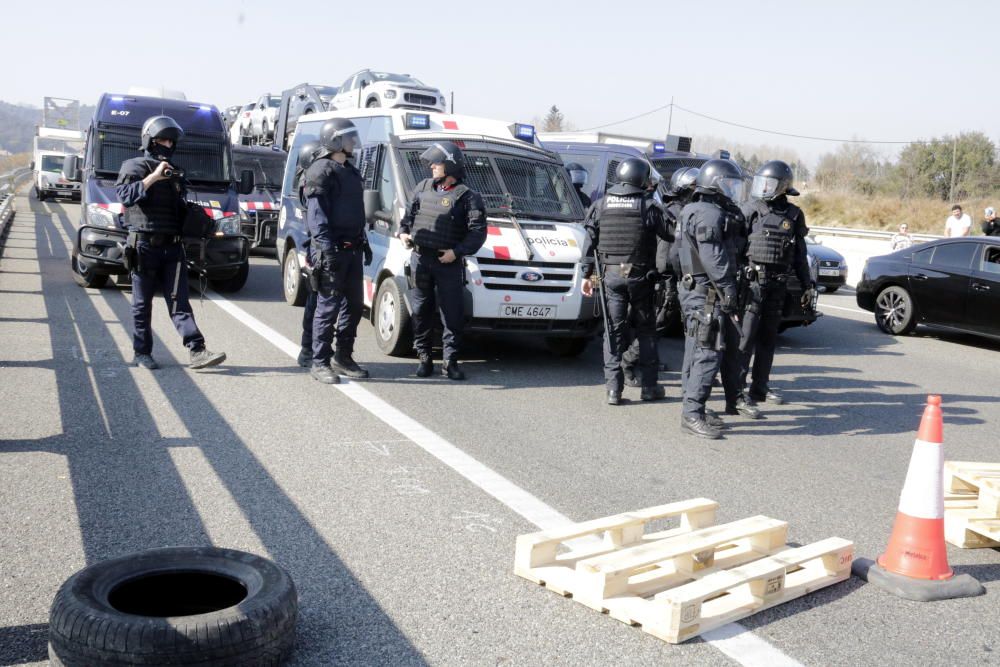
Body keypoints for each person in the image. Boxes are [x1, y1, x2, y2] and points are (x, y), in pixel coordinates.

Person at [115, 115, 226, 371]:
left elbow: (178, 208)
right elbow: (126, 196)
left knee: (179, 302)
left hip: (173, 247)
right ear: (149, 141)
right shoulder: (133, 166)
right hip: (143, 246)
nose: (167, 144)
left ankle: (197, 350)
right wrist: (153, 177)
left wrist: (197, 220)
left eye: (170, 140)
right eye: (162, 139)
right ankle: (142, 353)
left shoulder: (176, 173)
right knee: (142, 305)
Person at [398, 141, 487, 380]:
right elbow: (407, 218)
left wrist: (456, 253)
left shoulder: (468, 197)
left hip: (448, 262)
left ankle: (451, 362)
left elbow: (477, 232)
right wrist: (404, 233)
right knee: (420, 310)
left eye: (437, 163)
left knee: (452, 314)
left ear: (450, 165)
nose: (432, 167)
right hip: (420, 258)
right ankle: (424, 358)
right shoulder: (422, 188)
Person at [584, 158, 669, 405]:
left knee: (613, 332)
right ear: (642, 179)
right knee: (646, 331)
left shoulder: (601, 205)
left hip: (610, 275)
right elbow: (671, 233)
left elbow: (589, 242)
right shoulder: (649, 206)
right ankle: (649, 387)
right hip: (640, 276)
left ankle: (613, 390)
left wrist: (587, 276)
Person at [739, 160, 815, 409]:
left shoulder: (794, 215)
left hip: (778, 285)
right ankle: (737, 391)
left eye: (769, 183)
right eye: (761, 182)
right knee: (746, 339)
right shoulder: (750, 209)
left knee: (768, 340)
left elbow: (799, 255)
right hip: (752, 285)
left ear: (782, 187)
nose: (763, 187)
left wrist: (807, 285)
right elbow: (737, 249)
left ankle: (759, 387)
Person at [676, 159, 745, 437]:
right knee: (707, 352)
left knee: (695, 350)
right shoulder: (710, 215)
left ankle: (693, 407)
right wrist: (728, 290)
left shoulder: (690, 209)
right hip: (707, 294)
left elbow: (677, 255)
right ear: (715, 184)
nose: (732, 190)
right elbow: (713, 258)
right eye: (729, 184)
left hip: (695, 289)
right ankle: (692, 414)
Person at [302, 119, 372, 384]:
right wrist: (325, 249)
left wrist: (362, 241)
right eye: (348, 137)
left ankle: (343, 356)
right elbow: (316, 217)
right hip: (331, 251)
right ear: (335, 140)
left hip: (352, 251)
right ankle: (320, 361)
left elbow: (355, 212)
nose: (353, 141)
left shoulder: (351, 172)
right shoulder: (320, 171)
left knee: (354, 306)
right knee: (328, 307)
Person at [293, 140, 321, 368]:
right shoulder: (308, 182)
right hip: (316, 247)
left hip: (319, 245)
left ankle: (315, 348)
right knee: (315, 300)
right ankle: (307, 348)